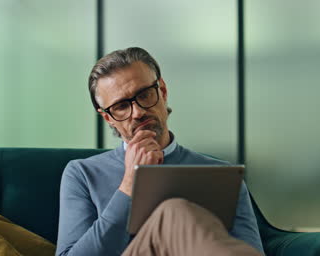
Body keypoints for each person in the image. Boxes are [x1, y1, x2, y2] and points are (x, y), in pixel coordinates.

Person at [56, 47, 263, 256]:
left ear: (162, 91)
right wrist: (129, 183)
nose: (138, 112)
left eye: (144, 95)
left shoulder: (222, 175)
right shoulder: (82, 174)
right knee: (173, 211)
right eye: (121, 106)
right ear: (108, 118)